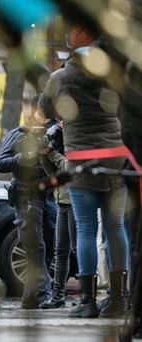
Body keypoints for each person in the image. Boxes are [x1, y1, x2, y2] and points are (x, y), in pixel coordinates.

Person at [39, 23, 130, 318]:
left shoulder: (60, 76)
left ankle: (88, 302)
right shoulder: (113, 72)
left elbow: (44, 111)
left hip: (80, 160)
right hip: (116, 156)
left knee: (87, 229)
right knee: (116, 228)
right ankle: (118, 299)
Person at [0, 96, 57, 309]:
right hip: (26, 195)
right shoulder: (19, 134)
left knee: (48, 246)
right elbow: (1, 163)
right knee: (35, 246)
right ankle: (43, 294)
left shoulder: (54, 134)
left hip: (49, 196)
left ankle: (30, 298)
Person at [39, 121, 77, 309]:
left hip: (76, 202)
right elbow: (52, 174)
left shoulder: (76, 139)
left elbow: (68, 168)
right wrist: (43, 154)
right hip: (62, 201)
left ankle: (88, 298)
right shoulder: (58, 139)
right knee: (60, 251)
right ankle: (57, 297)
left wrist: (51, 153)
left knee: (77, 249)